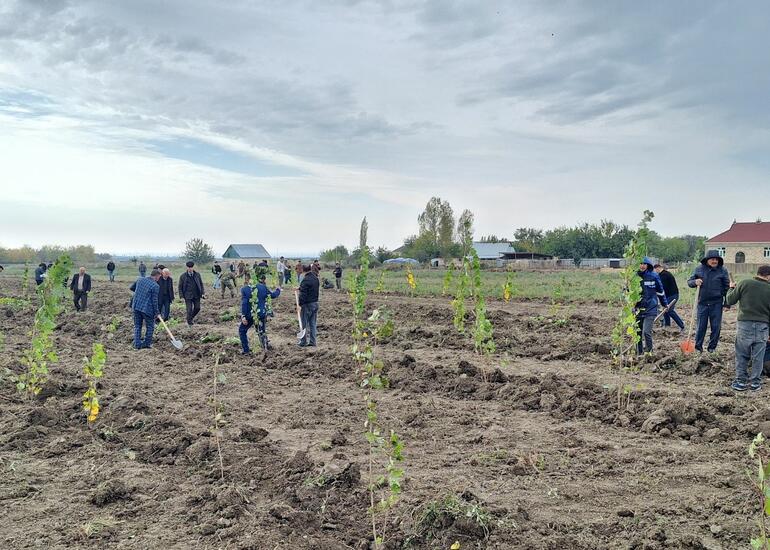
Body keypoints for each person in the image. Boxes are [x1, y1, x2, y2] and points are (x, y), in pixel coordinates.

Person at [724, 265, 770, 391]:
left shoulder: (744, 283)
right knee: (758, 356)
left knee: (742, 354)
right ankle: (755, 382)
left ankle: (741, 382)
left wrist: (731, 288)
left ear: (758, 273)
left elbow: (730, 300)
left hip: (745, 325)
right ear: (768, 276)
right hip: (763, 326)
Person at [688, 250, 731, 354]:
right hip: (702, 303)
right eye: (712, 259)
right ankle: (698, 348)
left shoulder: (722, 271)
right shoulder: (699, 269)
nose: (714, 261)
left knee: (716, 327)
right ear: (707, 260)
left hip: (716, 303)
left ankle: (712, 348)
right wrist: (695, 282)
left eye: (716, 259)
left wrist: (727, 303)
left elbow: (727, 288)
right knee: (701, 327)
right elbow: (689, 282)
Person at [239, 273, 282, 354]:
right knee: (261, 331)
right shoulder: (263, 287)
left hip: (250, 315)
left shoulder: (244, 289)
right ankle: (265, 348)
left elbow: (244, 303)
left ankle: (246, 350)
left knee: (242, 330)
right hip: (261, 313)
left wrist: (243, 315)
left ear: (247, 279)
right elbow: (272, 295)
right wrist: (278, 290)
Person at [636, 257, 667, 356]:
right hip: (637, 309)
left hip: (651, 308)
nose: (642, 266)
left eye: (644, 264)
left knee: (646, 332)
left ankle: (649, 352)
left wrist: (664, 304)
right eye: (640, 263)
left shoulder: (654, 276)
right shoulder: (634, 277)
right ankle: (639, 353)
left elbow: (660, 291)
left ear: (648, 265)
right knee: (637, 333)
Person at [130, 268, 161, 349]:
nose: (158, 279)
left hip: (136, 306)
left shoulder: (140, 280)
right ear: (157, 276)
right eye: (159, 277)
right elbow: (154, 301)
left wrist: (140, 293)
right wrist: (157, 312)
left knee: (137, 326)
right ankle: (146, 344)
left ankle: (137, 344)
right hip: (147, 309)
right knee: (150, 326)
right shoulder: (155, 286)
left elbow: (132, 288)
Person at [653, 264, 684, 333]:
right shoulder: (662, 275)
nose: (655, 272)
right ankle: (667, 326)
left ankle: (682, 325)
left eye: (655, 270)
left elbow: (662, 288)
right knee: (665, 309)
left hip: (673, 295)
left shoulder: (664, 275)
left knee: (669, 310)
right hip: (668, 296)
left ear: (657, 268)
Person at [298, 264, 319, 347]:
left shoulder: (305, 280)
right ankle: (313, 341)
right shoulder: (315, 278)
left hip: (307, 305)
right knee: (313, 323)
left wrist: (300, 305)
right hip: (315, 303)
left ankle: (303, 342)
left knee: (304, 323)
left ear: (303, 270)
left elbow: (303, 294)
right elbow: (310, 288)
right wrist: (299, 288)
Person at [178, 261, 205, 326]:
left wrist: (202, 293)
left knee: (197, 308)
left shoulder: (197, 275)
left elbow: (201, 284)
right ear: (187, 267)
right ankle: (189, 323)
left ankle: (190, 318)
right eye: (189, 267)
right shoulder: (183, 276)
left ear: (193, 267)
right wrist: (181, 296)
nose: (190, 269)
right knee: (189, 309)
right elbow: (180, 287)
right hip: (187, 296)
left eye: (191, 267)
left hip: (196, 295)